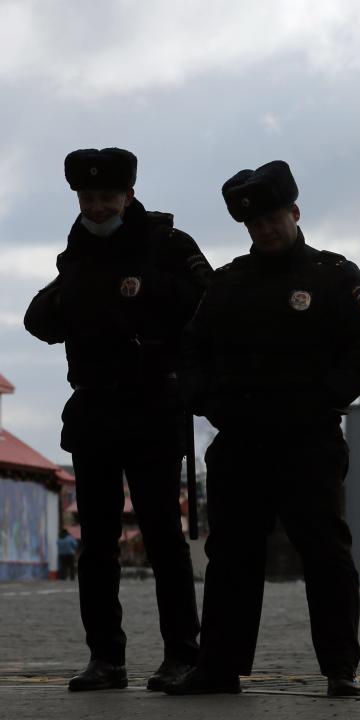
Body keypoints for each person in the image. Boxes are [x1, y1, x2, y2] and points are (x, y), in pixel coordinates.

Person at [165, 161, 360, 698]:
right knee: (232, 558)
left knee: (325, 553)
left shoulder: (333, 276)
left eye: (272, 219)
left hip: (307, 440)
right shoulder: (227, 284)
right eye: (254, 224)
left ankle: (341, 667)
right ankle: (218, 668)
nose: (264, 230)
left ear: (294, 212)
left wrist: (324, 396)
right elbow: (190, 352)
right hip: (240, 441)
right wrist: (207, 401)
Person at [24, 148, 207, 692]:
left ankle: (183, 654)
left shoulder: (167, 243)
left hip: (153, 405)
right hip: (95, 410)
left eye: (107, 197)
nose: (98, 206)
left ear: (128, 195)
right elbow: (42, 320)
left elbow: (208, 301)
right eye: (88, 198)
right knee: (96, 543)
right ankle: (106, 658)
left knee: (162, 538)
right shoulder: (76, 251)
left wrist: (150, 290)